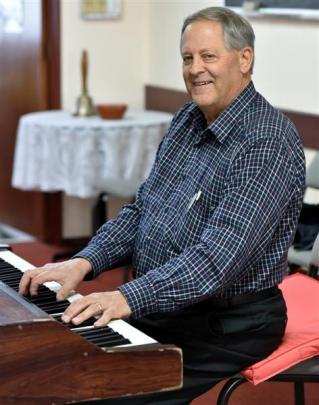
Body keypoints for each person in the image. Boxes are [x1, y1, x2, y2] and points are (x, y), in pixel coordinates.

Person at [19, 6, 305, 404]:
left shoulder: (266, 143)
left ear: (244, 59)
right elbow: (141, 211)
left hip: (228, 324)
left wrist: (125, 298)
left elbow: (215, 262)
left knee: (99, 391)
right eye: (188, 58)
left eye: (209, 56)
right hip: (165, 305)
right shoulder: (188, 118)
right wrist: (83, 263)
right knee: (48, 360)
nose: (195, 69)